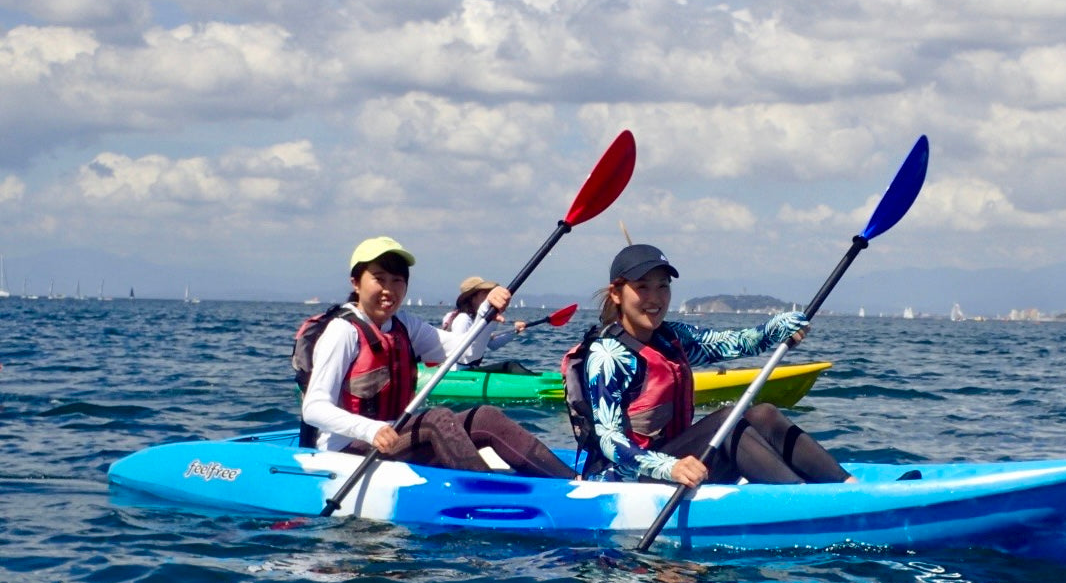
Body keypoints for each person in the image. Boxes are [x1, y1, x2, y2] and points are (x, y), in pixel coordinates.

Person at [562, 243, 853, 486]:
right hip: (628, 479)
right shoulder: (608, 356)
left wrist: (773, 331)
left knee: (762, 414)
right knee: (726, 422)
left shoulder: (672, 337)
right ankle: (802, 504)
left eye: (663, 287)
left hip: (681, 465)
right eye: (642, 287)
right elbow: (610, 441)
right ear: (617, 293)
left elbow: (737, 342)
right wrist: (669, 468)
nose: (655, 298)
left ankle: (848, 487)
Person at [300, 237, 575, 479]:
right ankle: (484, 493)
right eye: (379, 279)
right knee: (436, 419)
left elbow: (467, 352)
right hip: (347, 451)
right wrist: (369, 429)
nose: (389, 289)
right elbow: (313, 408)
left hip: (393, 440)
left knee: (485, 417)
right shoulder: (342, 331)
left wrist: (485, 313)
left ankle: (574, 482)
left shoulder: (404, 326)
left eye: (397, 281)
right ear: (356, 283)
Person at [441, 276, 529, 372]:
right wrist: (482, 335)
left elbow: (493, 345)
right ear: (472, 298)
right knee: (511, 366)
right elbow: (461, 354)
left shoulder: (474, 319)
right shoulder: (463, 319)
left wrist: (514, 331)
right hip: (458, 372)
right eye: (484, 293)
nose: (489, 296)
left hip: (468, 370)